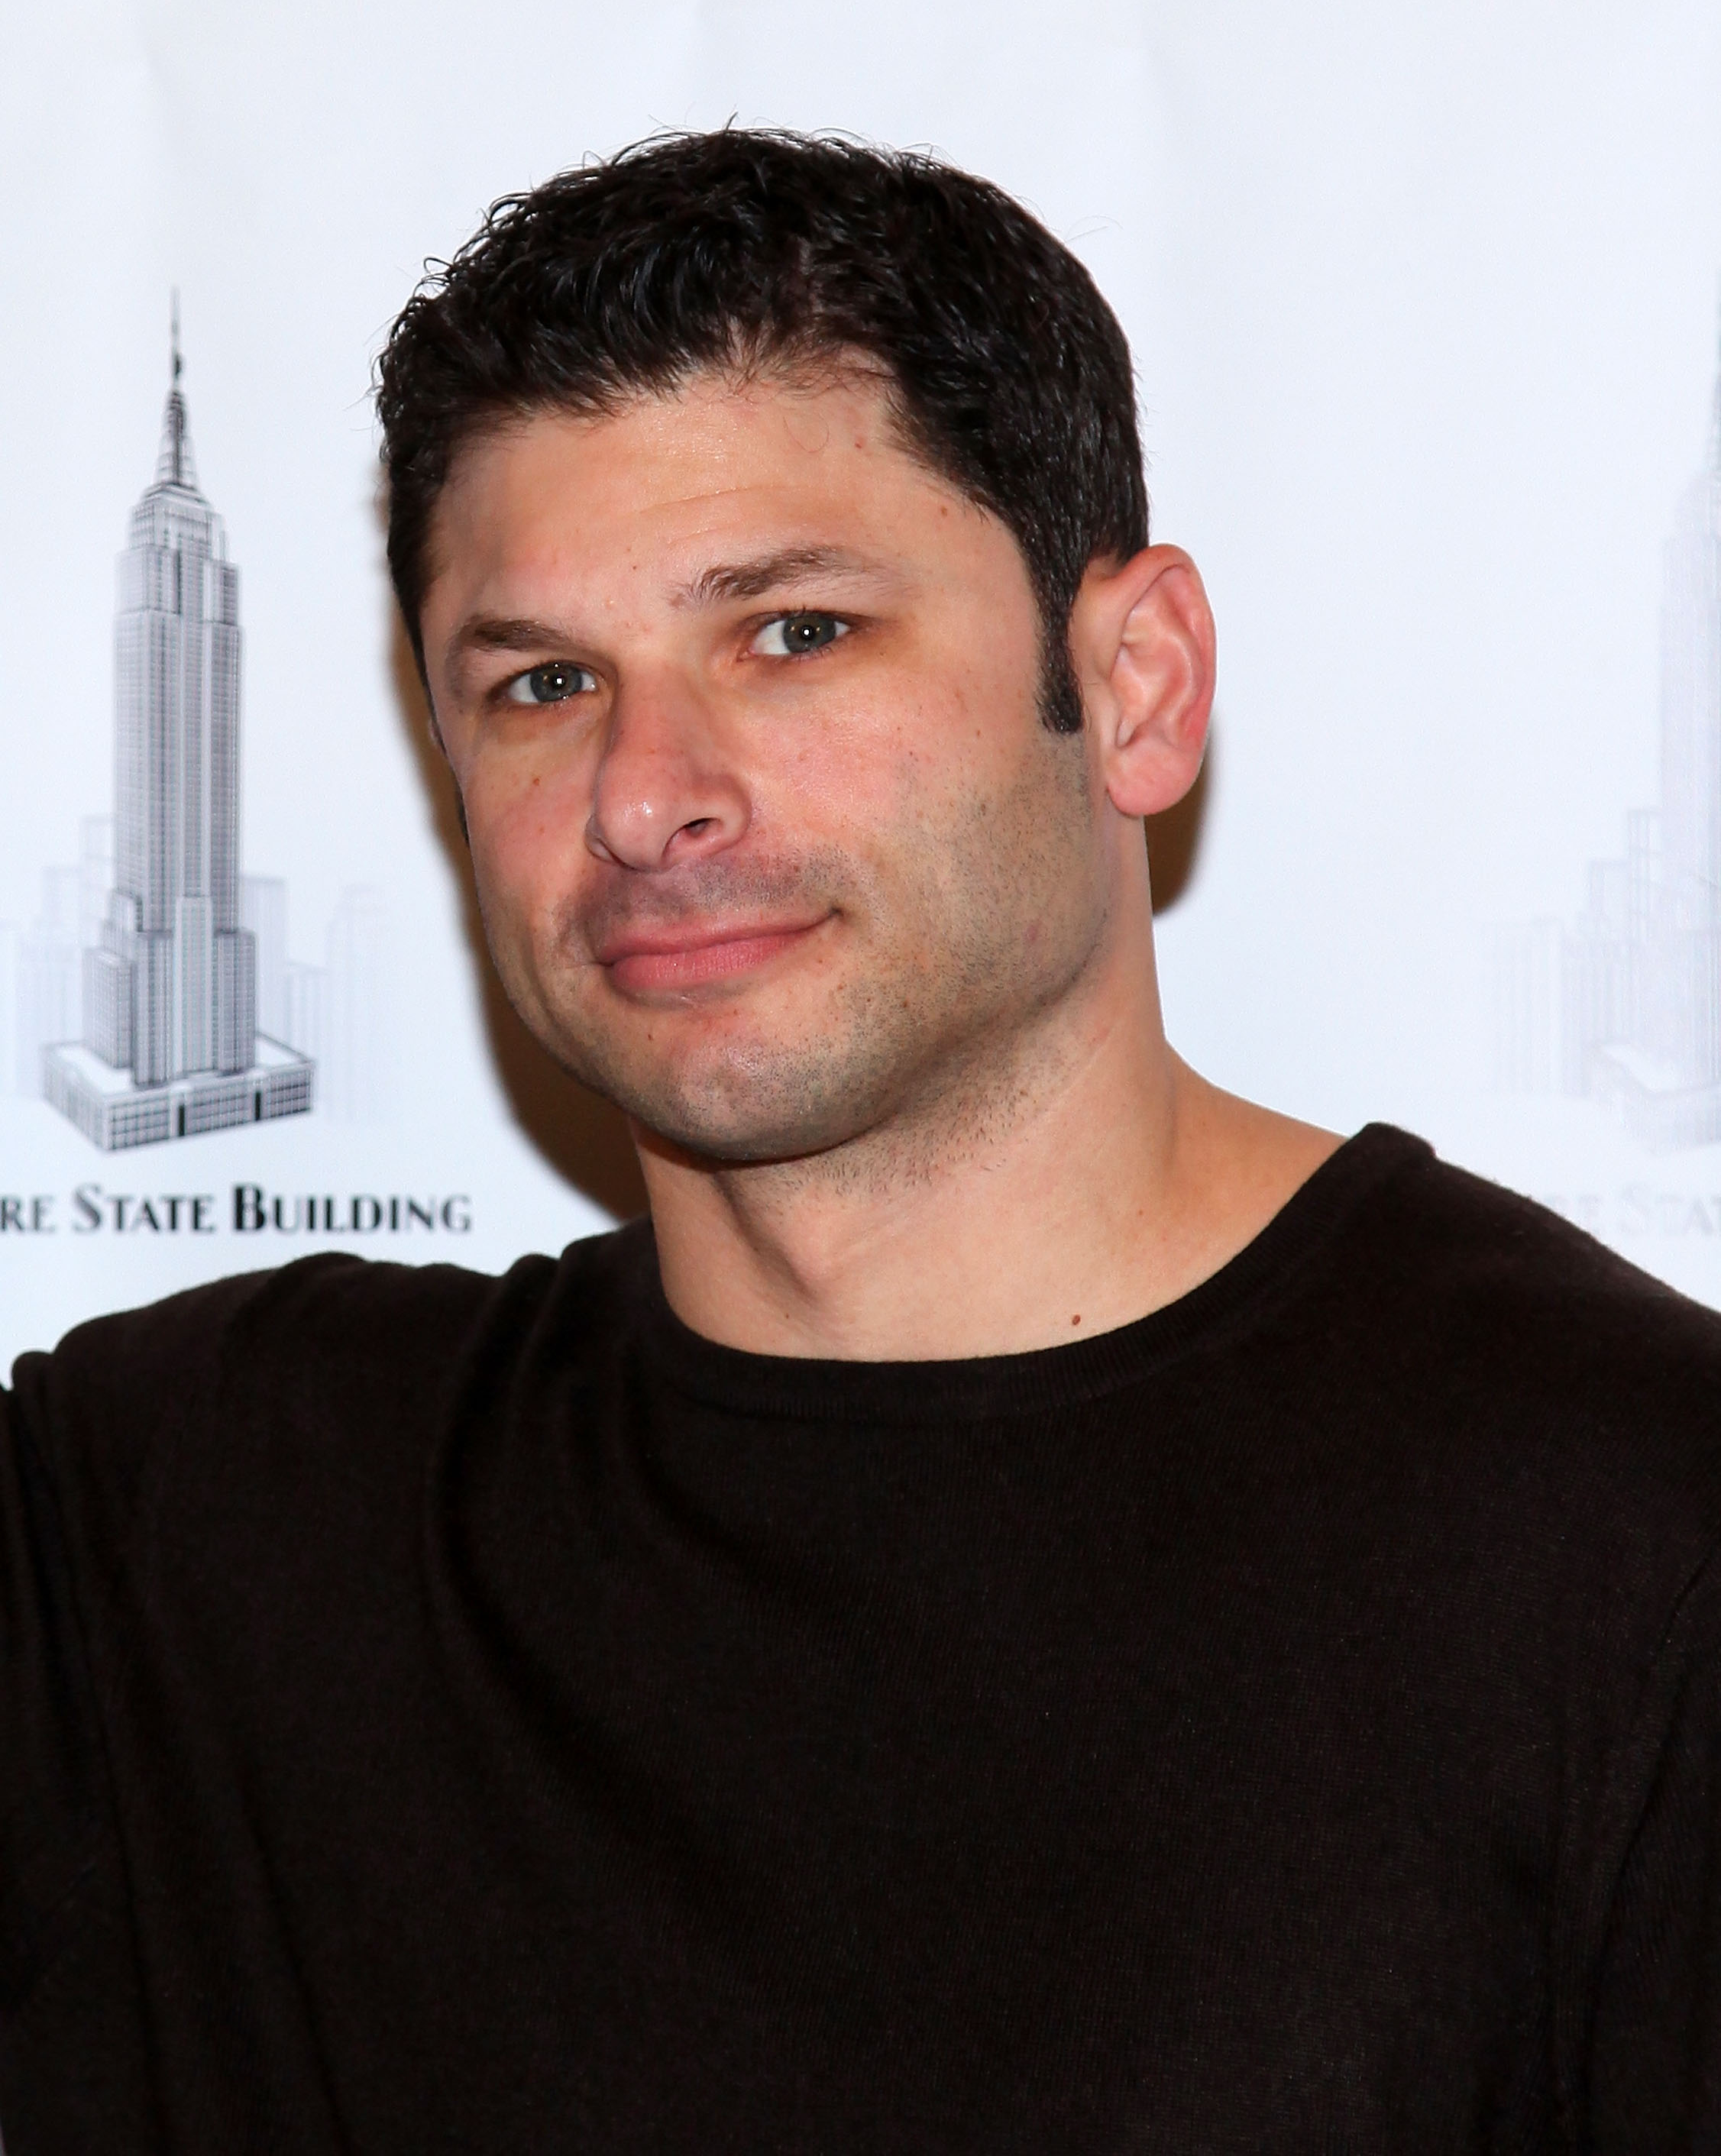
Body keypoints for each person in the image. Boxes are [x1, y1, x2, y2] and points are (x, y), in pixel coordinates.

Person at [2, 131, 1719, 2154]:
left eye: (794, 633)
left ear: (1136, 684)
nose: (651, 796)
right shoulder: (203, 1515)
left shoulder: (1635, 1530)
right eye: (548, 683)